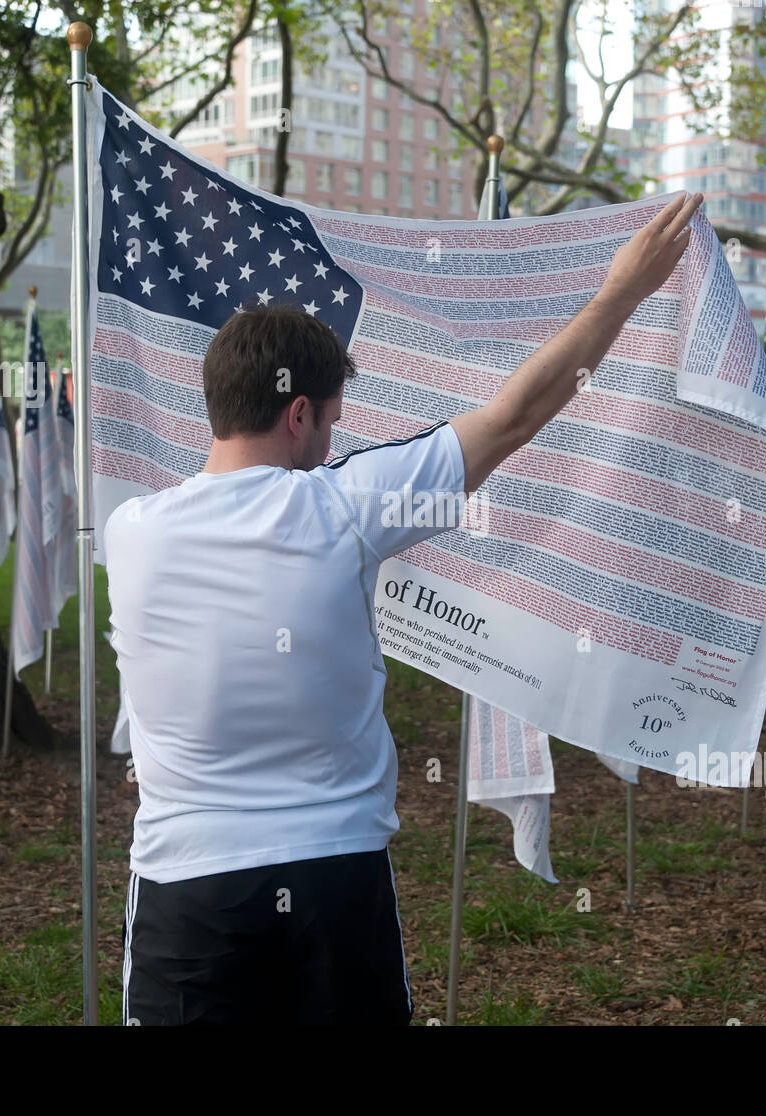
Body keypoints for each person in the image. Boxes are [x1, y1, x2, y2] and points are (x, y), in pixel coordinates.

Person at [108, 192, 705, 1025]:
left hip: (184, 891)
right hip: (333, 882)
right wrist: (622, 293)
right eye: (331, 425)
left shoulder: (127, 533)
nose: (331, 446)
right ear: (298, 413)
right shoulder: (343, 508)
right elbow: (514, 417)